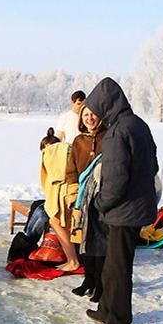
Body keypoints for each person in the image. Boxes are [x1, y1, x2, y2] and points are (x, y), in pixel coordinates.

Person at [82, 77, 159, 324]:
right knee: (112, 265)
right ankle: (106, 308)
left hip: (124, 212)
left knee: (118, 269)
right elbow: (154, 166)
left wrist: (102, 203)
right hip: (135, 208)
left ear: (106, 105)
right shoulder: (139, 125)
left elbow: (115, 180)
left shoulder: (116, 133)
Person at [66, 105, 107, 300]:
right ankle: (88, 279)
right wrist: (72, 191)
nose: (90, 118)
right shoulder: (78, 141)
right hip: (81, 200)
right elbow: (71, 169)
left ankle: (100, 283)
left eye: (93, 114)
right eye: (86, 115)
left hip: (101, 199)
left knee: (99, 244)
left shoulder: (108, 138)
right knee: (82, 243)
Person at [39, 128, 81, 271]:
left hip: (66, 191)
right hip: (66, 190)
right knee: (60, 223)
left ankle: (73, 260)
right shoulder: (67, 151)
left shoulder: (56, 152)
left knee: (56, 222)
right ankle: (72, 258)